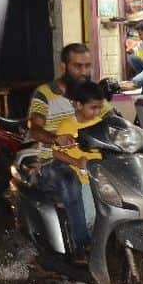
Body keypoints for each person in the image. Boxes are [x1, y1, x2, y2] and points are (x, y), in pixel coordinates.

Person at [27, 43, 100, 260]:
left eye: (87, 66)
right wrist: (54, 138)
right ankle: (82, 246)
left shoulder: (91, 93)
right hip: (53, 162)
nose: (84, 72)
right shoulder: (46, 93)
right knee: (70, 181)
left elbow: (111, 118)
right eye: (78, 66)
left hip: (89, 160)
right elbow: (35, 128)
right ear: (64, 66)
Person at [52, 80, 111, 258]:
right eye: (93, 108)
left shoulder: (100, 123)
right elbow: (57, 153)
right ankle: (88, 249)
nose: (97, 112)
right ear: (78, 105)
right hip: (85, 179)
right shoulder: (66, 127)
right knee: (92, 217)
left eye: (99, 107)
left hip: (104, 178)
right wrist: (76, 162)